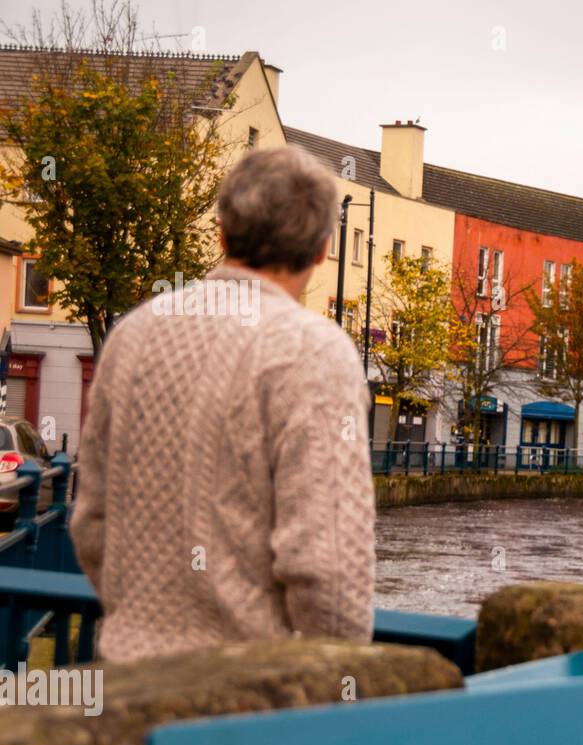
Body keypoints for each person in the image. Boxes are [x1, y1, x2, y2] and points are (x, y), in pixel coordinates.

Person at [71, 146, 375, 662]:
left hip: (124, 684)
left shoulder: (135, 333)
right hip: (243, 699)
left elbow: (92, 523)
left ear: (221, 233)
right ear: (324, 250)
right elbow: (331, 574)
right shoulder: (314, 351)